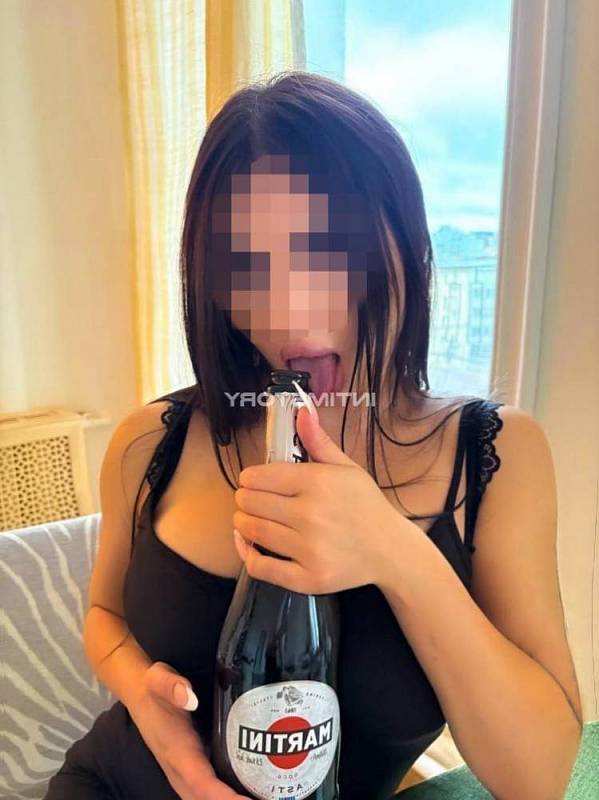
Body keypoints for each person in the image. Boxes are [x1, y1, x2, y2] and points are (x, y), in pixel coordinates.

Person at [45, 71, 582, 800]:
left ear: (405, 247)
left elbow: (539, 777)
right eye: (245, 266)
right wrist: (144, 699)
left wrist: (391, 550)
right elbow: (105, 615)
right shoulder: (150, 441)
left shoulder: (496, 459)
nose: (287, 311)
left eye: (326, 249)